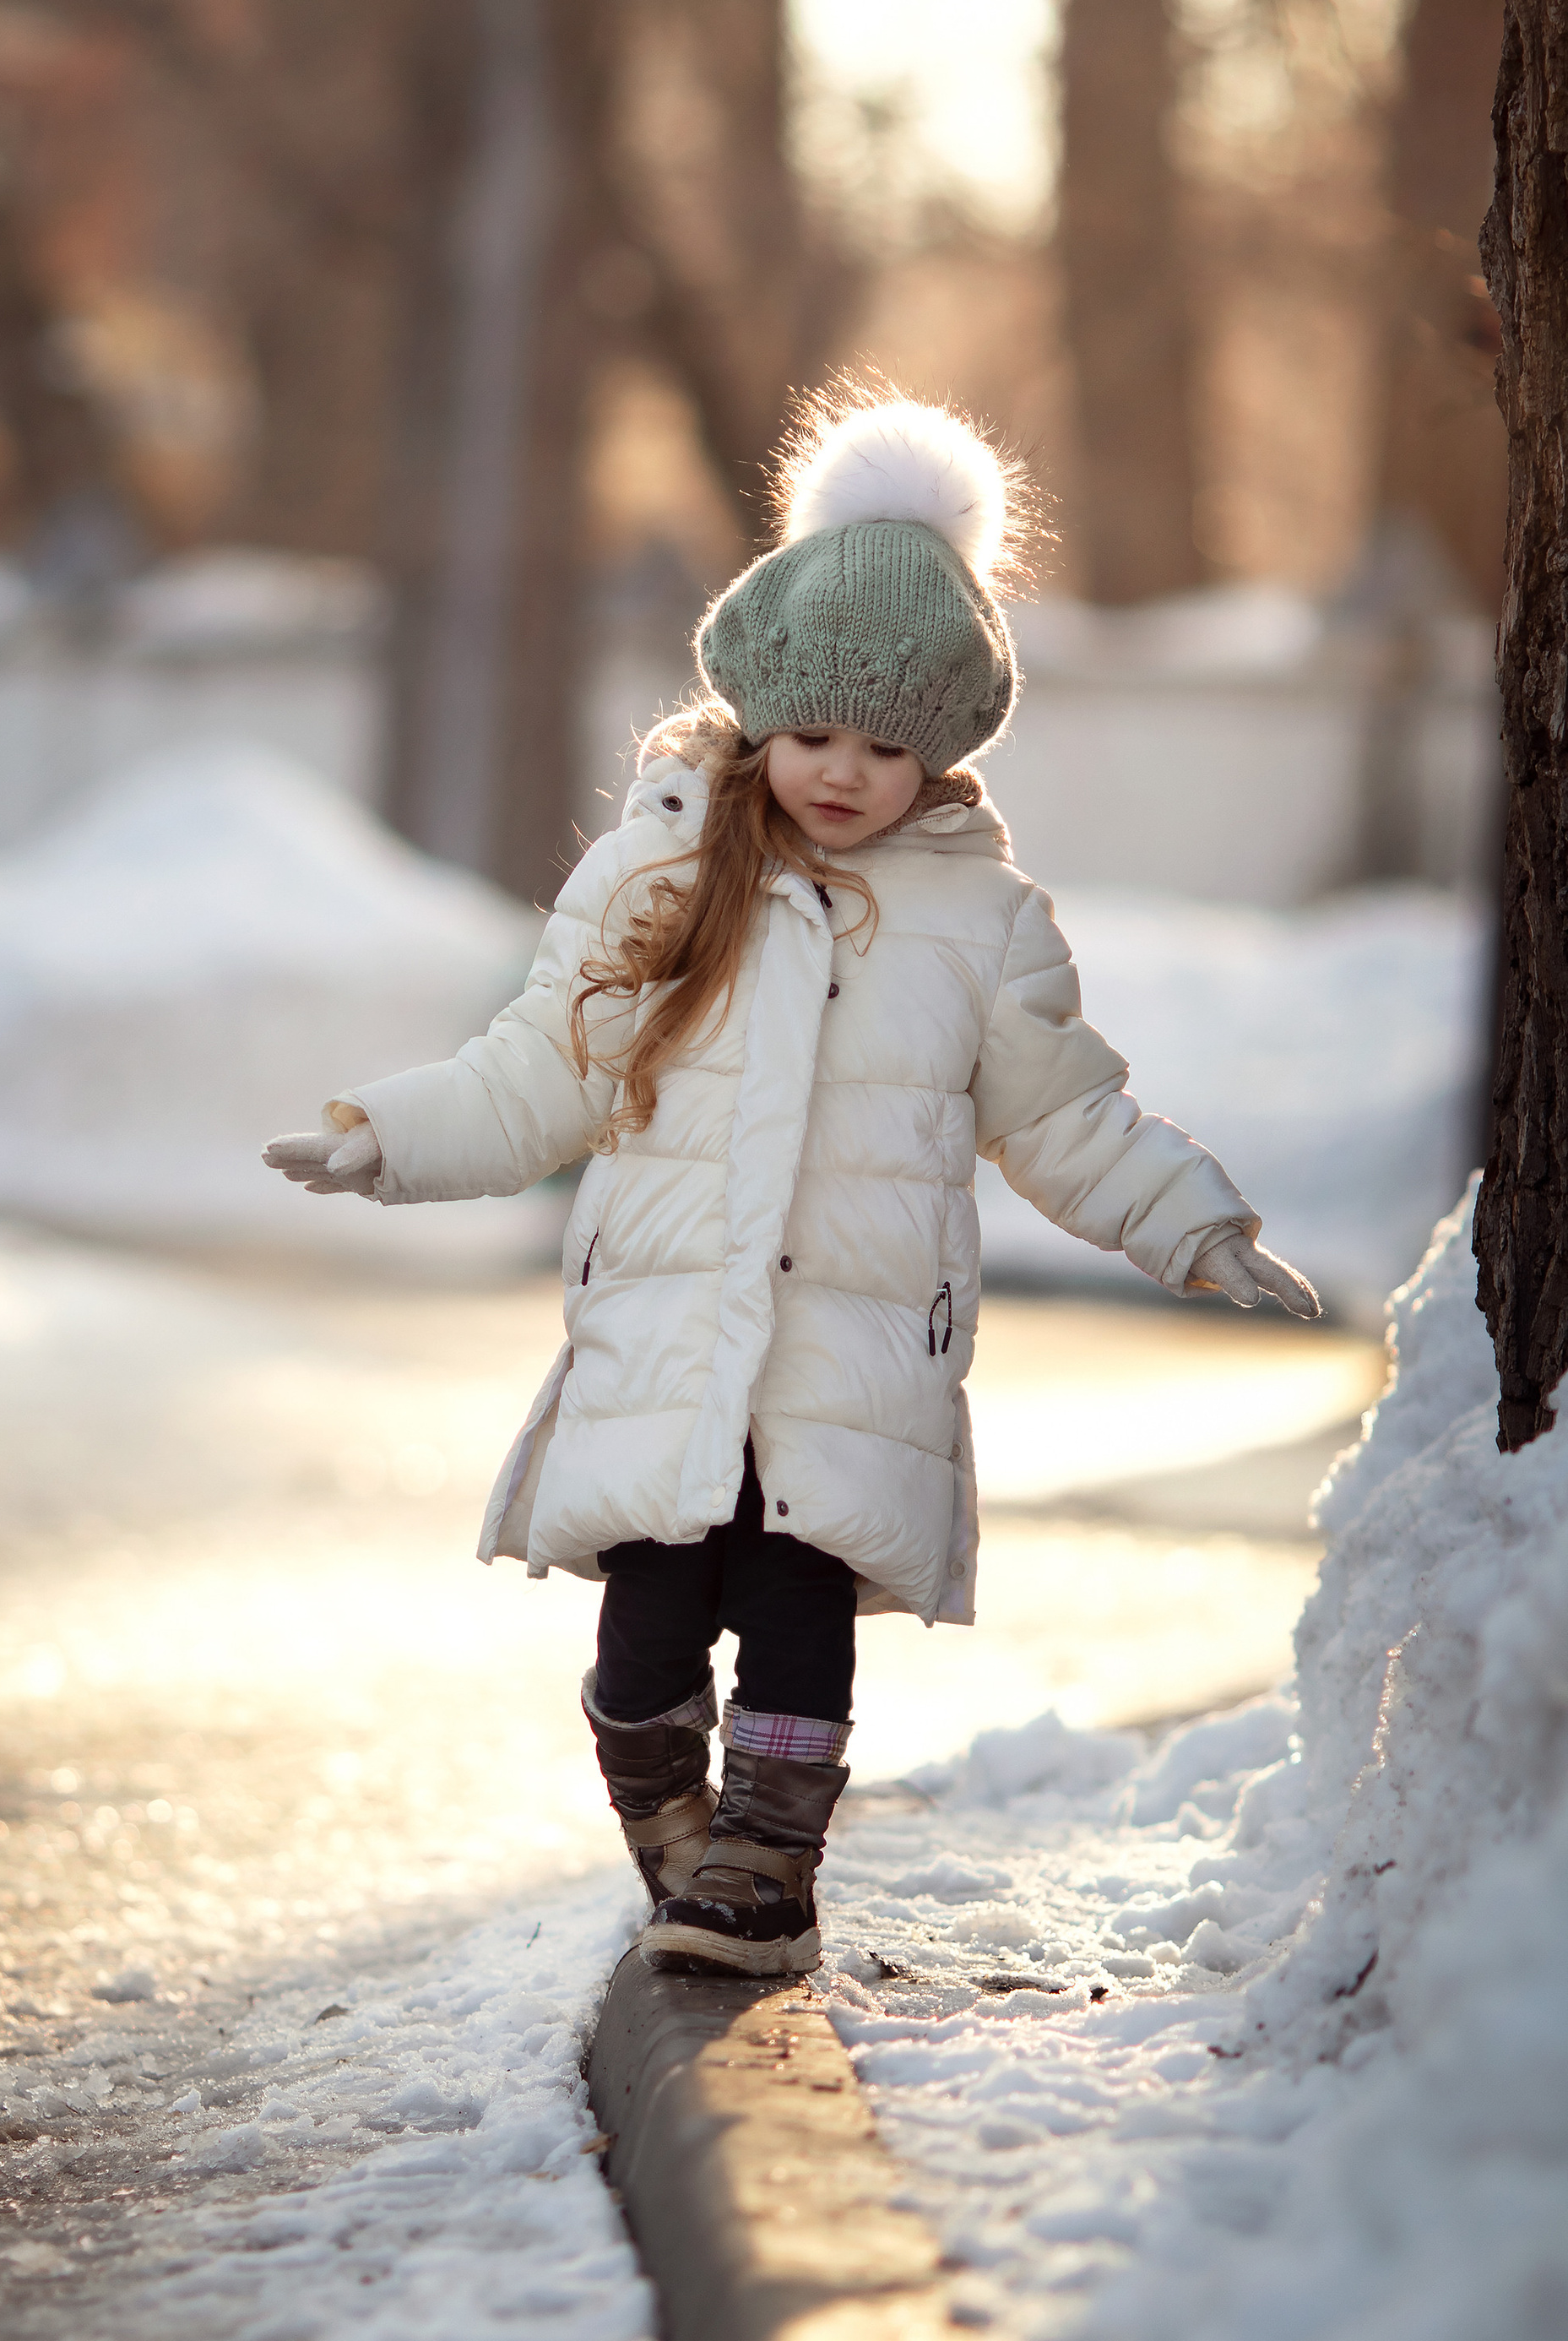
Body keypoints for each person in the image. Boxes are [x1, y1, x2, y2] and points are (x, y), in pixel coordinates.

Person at [263, 394, 1319, 1980]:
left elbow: (1069, 1115)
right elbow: (536, 1066)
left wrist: (1194, 1225)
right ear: (761, 714)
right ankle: (673, 1820)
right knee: (641, 1651)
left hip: (849, 1358)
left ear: (943, 750)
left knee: (799, 1624)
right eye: (817, 732)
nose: (845, 773)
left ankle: (764, 1876)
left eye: (890, 746)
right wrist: (387, 1136)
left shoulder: (983, 924)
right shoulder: (662, 875)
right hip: (674, 1344)